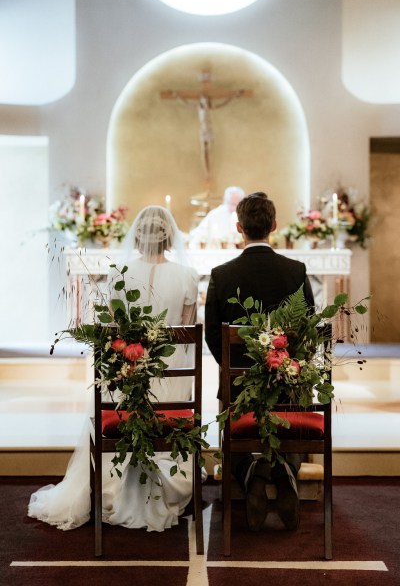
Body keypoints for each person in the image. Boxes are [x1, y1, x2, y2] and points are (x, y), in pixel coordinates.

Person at [28, 206, 200, 533]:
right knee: (174, 390)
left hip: (127, 377)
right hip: (171, 386)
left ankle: (115, 485)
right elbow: (186, 339)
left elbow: (112, 333)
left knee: (116, 390)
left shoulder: (120, 270)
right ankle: (168, 482)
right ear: (170, 238)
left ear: (136, 235)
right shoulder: (188, 276)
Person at [205, 191, 315, 532]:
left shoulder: (222, 275)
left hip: (239, 392)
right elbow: (308, 331)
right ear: (275, 226)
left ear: (239, 228)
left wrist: (236, 370)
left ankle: (251, 471)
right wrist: (285, 368)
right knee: (292, 426)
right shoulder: (295, 271)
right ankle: (284, 468)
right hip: (288, 385)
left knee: (235, 433)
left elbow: (212, 335)